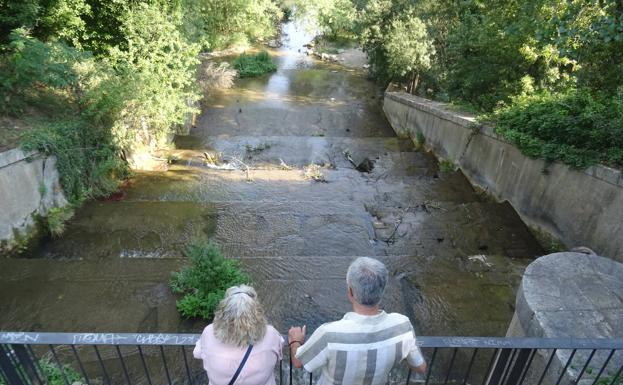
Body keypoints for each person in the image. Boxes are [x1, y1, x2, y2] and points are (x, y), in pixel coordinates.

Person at [288, 257, 427, 385]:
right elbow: (420, 367)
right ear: (382, 290)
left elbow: (299, 362)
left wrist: (295, 341)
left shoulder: (329, 334)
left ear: (350, 291)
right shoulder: (402, 325)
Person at [194, 285, 284, 385]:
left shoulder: (209, 332)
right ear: (257, 313)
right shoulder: (270, 334)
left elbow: (197, 353)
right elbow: (279, 353)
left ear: (223, 312)